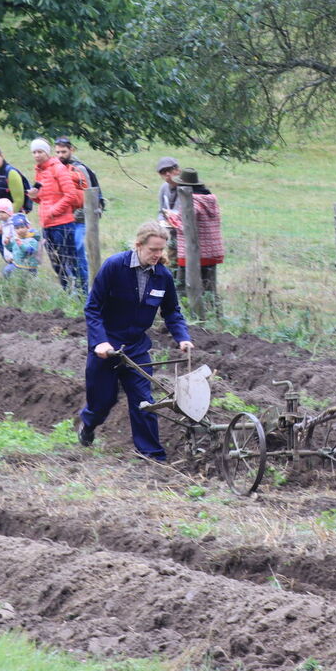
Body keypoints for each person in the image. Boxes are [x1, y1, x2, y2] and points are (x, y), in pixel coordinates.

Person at [76, 221, 194, 460]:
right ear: (139, 245)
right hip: (107, 345)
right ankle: (88, 425)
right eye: (153, 250)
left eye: (161, 250)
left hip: (136, 347)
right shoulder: (114, 267)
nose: (158, 255)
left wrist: (183, 337)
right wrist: (100, 342)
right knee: (102, 402)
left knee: (144, 402)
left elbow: (171, 311)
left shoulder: (162, 276)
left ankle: (152, 455)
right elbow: (93, 308)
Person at [28, 137, 84, 291]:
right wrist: (34, 196)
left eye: (40, 151)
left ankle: (80, 292)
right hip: (46, 224)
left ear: (46, 152)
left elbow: (70, 195)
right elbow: (44, 198)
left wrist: (53, 211)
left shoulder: (58, 168)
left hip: (62, 223)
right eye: (34, 152)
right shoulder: (39, 171)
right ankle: (66, 291)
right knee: (55, 262)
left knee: (69, 260)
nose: (37, 155)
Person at [170, 167, 225, 309]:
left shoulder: (191, 201)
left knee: (182, 286)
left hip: (193, 253)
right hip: (212, 252)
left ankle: (187, 314)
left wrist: (172, 220)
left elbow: (187, 228)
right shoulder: (209, 199)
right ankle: (214, 315)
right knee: (209, 288)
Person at [55, 137, 103, 288]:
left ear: (71, 150)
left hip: (82, 218)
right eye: (57, 152)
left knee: (78, 248)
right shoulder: (56, 169)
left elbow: (89, 196)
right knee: (66, 252)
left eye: (63, 151)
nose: (60, 155)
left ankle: (85, 288)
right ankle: (73, 287)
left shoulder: (80, 169)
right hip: (64, 218)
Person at [0, 144, 31, 258]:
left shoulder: (11, 173)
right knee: (6, 257)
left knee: (17, 258)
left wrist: (4, 222)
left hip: (11, 226)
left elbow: (18, 201)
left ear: (2, 156)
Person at [155, 156, 182, 275]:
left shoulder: (186, 187)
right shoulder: (163, 188)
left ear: (177, 170)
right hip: (168, 230)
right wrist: (161, 221)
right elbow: (161, 211)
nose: (167, 175)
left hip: (183, 231)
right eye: (163, 172)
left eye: (169, 171)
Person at [2, 213, 39, 277]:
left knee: (29, 280)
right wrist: (7, 243)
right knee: (6, 271)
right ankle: (10, 285)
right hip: (17, 264)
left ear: (27, 227)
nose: (20, 230)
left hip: (29, 267)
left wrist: (21, 245)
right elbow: (11, 249)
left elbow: (30, 251)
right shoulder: (16, 238)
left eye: (22, 227)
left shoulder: (32, 240)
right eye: (17, 228)